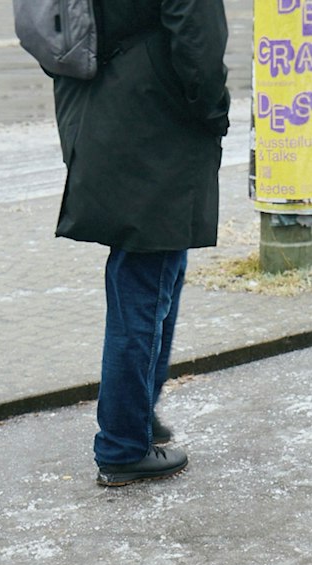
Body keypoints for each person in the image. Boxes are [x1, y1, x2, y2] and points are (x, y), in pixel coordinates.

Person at [49, 0, 231, 487]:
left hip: (101, 101)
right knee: (145, 282)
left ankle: (137, 414)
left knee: (153, 270)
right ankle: (123, 445)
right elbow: (198, 37)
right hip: (154, 115)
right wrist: (214, 109)